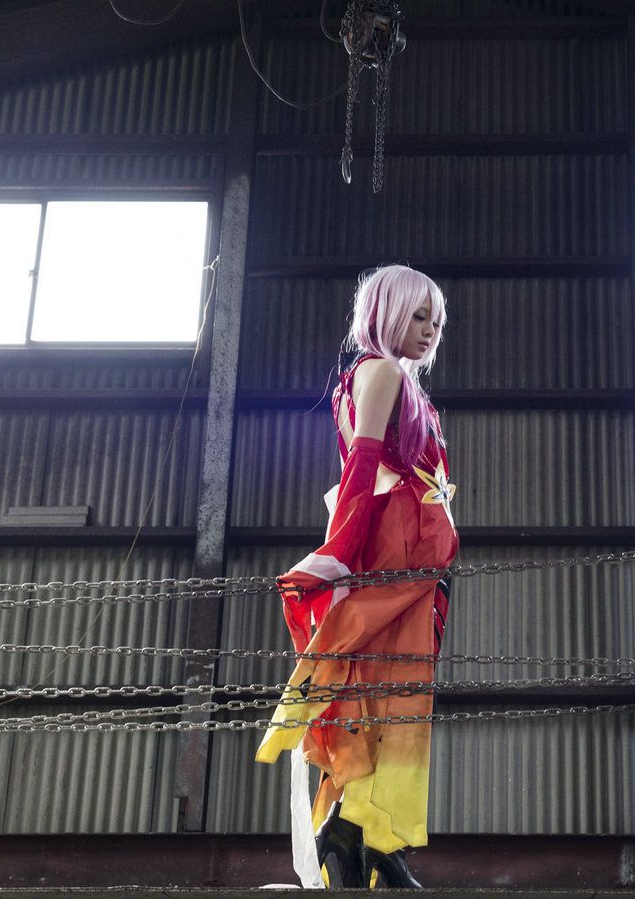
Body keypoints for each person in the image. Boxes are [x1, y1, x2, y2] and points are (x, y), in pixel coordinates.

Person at [255, 264, 457, 889]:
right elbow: (362, 464)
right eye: (418, 315)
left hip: (413, 553)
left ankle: (361, 832)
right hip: (398, 549)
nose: (429, 329)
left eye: (436, 320)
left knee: (385, 693)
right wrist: (338, 552)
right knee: (391, 692)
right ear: (385, 313)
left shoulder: (385, 378)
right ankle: (370, 836)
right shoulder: (383, 371)